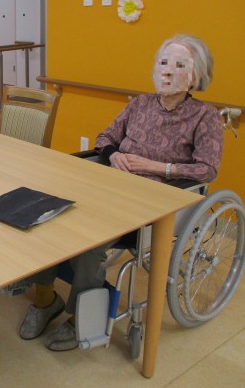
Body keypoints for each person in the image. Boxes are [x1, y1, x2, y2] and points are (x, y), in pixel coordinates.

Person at [17, 34, 224, 351]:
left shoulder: (205, 116)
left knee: (89, 245)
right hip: (109, 184)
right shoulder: (140, 103)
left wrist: (156, 167)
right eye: (163, 62)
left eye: (180, 65)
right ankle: (45, 300)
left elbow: (207, 169)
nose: (168, 71)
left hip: (151, 200)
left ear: (196, 77)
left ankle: (81, 319)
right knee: (49, 215)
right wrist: (113, 155)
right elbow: (105, 137)